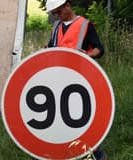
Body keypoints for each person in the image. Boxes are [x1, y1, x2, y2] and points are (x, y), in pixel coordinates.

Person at [45, 0, 106, 159]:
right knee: (61, 117)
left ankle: (95, 153)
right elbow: (52, 47)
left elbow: (99, 49)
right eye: (54, 14)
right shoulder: (56, 26)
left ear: (67, 6)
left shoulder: (85, 25)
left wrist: (87, 55)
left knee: (80, 118)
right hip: (58, 80)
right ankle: (64, 150)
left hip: (79, 80)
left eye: (58, 12)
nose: (57, 16)